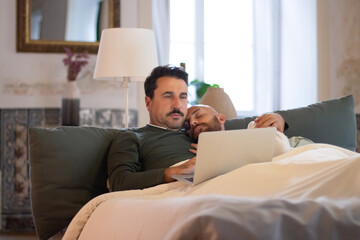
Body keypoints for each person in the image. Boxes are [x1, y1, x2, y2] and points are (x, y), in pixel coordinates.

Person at [107, 65, 287, 191]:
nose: (177, 104)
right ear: (148, 102)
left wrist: (277, 119)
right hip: (189, 191)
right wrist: (172, 172)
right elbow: (119, 182)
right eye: (168, 96)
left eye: (183, 96)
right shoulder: (132, 137)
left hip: (240, 181)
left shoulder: (198, 130)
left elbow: (253, 128)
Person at [185, 105, 292, 157]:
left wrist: (220, 150)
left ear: (221, 118)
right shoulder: (198, 157)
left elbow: (281, 147)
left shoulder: (254, 128)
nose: (192, 122)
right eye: (187, 125)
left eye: (198, 115)